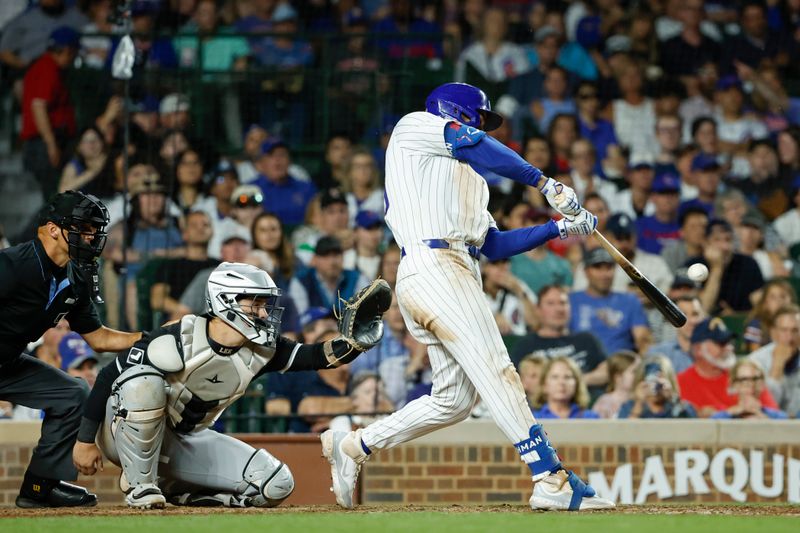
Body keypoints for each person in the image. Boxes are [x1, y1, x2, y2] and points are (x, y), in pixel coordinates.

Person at [320, 82, 612, 512]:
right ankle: (550, 477)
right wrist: (545, 182)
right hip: (433, 264)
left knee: (453, 401)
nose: (481, 126)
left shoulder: (470, 182)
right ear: (453, 108)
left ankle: (355, 445)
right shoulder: (416, 126)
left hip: (455, 269)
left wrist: (559, 229)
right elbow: (471, 141)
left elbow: (493, 246)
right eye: (478, 117)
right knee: (497, 369)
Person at [72, 262, 388, 508]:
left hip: (183, 440)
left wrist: (354, 344)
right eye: (256, 304)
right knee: (143, 382)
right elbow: (107, 376)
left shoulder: (262, 350)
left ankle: (179, 495)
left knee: (275, 484)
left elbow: (315, 356)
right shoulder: (180, 336)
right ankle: (139, 484)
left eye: (265, 304)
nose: (264, 312)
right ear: (227, 301)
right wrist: (86, 441)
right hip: (119, 433)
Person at [0, 191, 142, 508]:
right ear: (53, 229)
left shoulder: (74, 278)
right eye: (84, 228)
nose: (91, 237)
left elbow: (99, 338)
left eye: (94, 230)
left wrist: (150, 337)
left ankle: (39, 488)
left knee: (73, 392)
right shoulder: (12, 265)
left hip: (6, 365)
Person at [20, 26, 81, 200]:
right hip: (43, 144)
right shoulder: (48, 68)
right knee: (49, 197)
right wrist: (51, 144)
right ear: (68, 51)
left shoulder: (45, 66)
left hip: (45, 142)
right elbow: (38, 106)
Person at [510, 285, 607, 388]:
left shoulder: (586, 340)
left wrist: (573, 382)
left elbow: (606, 371)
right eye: (551, 303)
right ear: (538, 309)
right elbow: (512, 381)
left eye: (563, 303)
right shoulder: (525, 345)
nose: (559, 309)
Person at [678, 317, 777, 417]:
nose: (729, 347)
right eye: (721, 343)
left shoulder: (746, 377)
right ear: (698, 349)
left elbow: (775, 417)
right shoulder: (679, 384)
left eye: (729, 342)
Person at [570, 248, 651, 354]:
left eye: (609, 268)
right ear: (586, 272)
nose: (604, 274)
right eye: (597, 268)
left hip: (620, 365)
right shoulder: (570, 301)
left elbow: (643, 341)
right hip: (581, 364)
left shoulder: (630, 301)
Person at [748, 305, 800, 417]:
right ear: (773, 333)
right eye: (784, 330)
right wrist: (777, 367)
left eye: (795, 330)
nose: (790, 338)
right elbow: (766, 406)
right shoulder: (755, 361)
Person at [618, 355, 697, 418]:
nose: (655, 385)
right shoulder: (628, 407)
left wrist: (674, 399)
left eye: (660, 379)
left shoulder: (681, 407)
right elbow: (624, 434)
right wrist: (639, 403)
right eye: (650, 380)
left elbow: (689, 431)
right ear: (641, 380)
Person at [711, 359, 788, 420]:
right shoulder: (720, 418)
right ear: (734, 384)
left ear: (762, 383)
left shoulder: (779, 417)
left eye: (756, 379)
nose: (751, 384)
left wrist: (763, 419)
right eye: (744, 379)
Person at [648, 295, 707, 373]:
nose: (691, 321)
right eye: (683, 315)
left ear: (703, 317)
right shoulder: (659, 353)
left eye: (695, 314)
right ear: (673, 319)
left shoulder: (715, 352)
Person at [531, 357, 600, 420]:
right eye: (555, 377)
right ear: (544, 385)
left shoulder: (591, 418)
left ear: (576, 384)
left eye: (567, 377)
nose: (561, 382)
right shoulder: (533, 420)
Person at [743, 279, 798, 352]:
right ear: (765, 302)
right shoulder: (756, 325)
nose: (778, 301)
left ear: (791, 300)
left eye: (783, 296)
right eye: (773, 297)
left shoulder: (798, 321)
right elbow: (756, 357)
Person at [592, 351, 639, 419]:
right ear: (618, 377)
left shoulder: (641, 400)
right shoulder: (605, 402)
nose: (639, 375)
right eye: (634, 372)